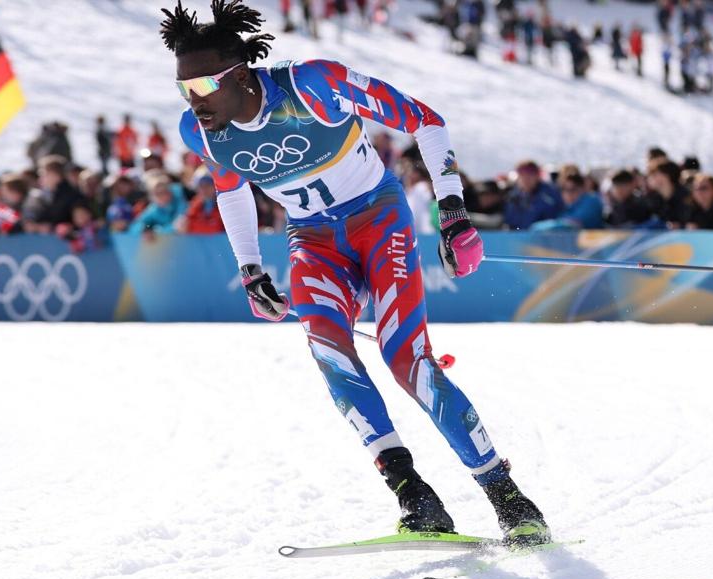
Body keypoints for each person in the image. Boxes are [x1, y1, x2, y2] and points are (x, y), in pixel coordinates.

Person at [161, 0, 550, 545]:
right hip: (313, 240)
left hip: (378, 220)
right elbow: (232, 194)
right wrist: (250, 269)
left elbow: (426, 121)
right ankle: (414, 495)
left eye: (202, 87)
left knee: (406, 361)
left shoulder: (314, 85)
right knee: (329, 352)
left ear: (240, 73)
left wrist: (454, 214)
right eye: (183, 89)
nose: (193, 102)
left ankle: (508, 497)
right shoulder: (199, 130)